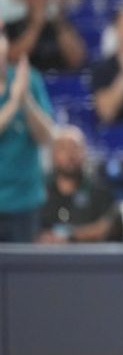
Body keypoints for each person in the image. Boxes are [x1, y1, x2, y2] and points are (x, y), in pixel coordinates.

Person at [0, 25, 54, 242]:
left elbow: (46, 137)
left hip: (24, 201)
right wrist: (14, 103)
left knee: (22, 273)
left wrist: (27, 101)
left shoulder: (29, 80)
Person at [38, 125, 120, 243]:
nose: (70, 154)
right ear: (53, 154)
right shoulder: (39, 191)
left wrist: (68, 237)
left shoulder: (100, 189)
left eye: (75, 147)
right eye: (63, 148)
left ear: (85, 152)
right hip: (45, 258)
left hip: (89, 257)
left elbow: (105, 227)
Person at [5, 0, 85, 71]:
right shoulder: (13, 26)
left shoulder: (60, 25)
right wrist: (36, 26)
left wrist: (59, 23)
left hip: (60, 78)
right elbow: (13, 58)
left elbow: (76, 59)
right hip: (28, 81)